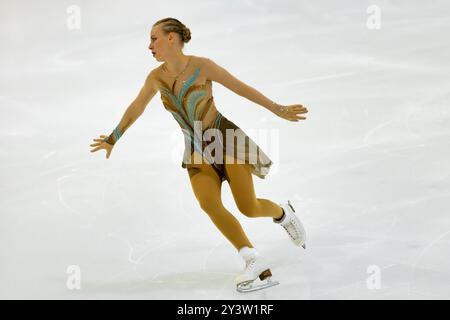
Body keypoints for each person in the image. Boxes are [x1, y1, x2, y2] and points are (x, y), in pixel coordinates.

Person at [90, 17, 308, 292]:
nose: (150, 45)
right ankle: (252, 258)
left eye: (154, 38)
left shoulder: (202, 65)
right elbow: (137, 107)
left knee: (248, 207)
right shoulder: (155, 78)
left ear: (172, 38)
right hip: (195, 149)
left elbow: (240, 88)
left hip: (223, 139)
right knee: (209, 204)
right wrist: (113, 138)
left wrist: (277, 108)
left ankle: (283, 213)